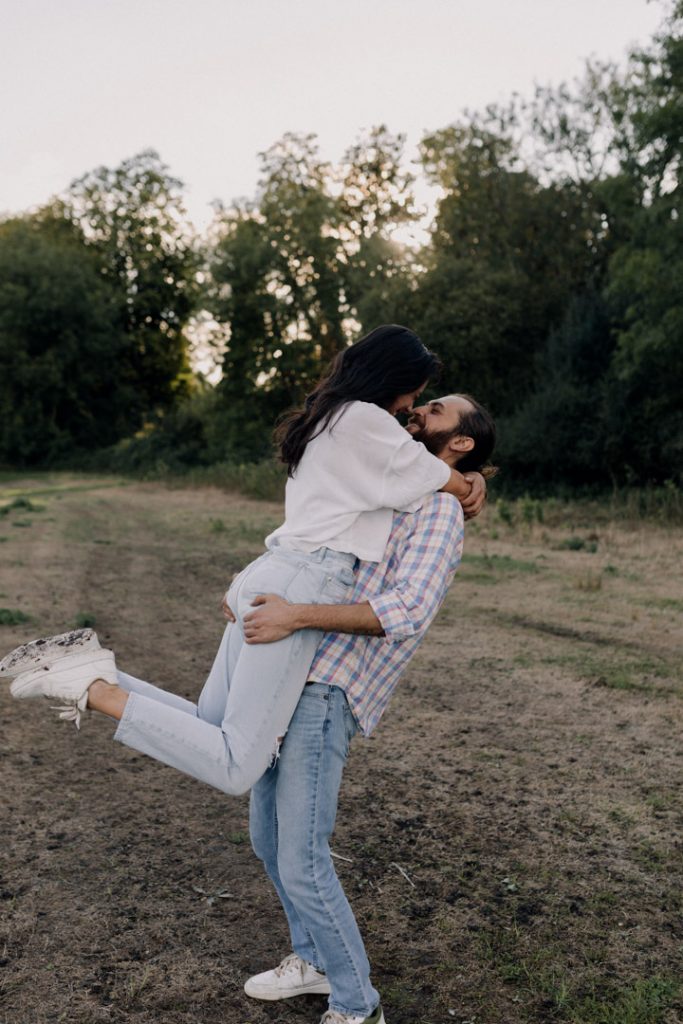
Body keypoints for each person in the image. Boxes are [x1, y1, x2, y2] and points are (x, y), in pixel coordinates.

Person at [3, 326, 485, 801]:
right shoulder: (367, 422)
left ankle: (94, 670)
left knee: (208, 725)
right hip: (305, 581)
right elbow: (437, 478)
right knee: (236, 766)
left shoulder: (331, 416)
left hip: (275, 570)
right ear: (394, 377)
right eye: (415, 393)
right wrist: (473, 485)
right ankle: (94, 689)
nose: (411, 405)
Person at [229, 393, 496, 1024]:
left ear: (460, 443)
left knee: (301, 853)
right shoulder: (390, 485)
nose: (417, 412)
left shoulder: (437, 511)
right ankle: (312, 962)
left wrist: (297, 615)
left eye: (434, 411)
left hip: (331, 686)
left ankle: (357, 1004)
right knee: (266, 838)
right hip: (290, 672)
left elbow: (406, 609)